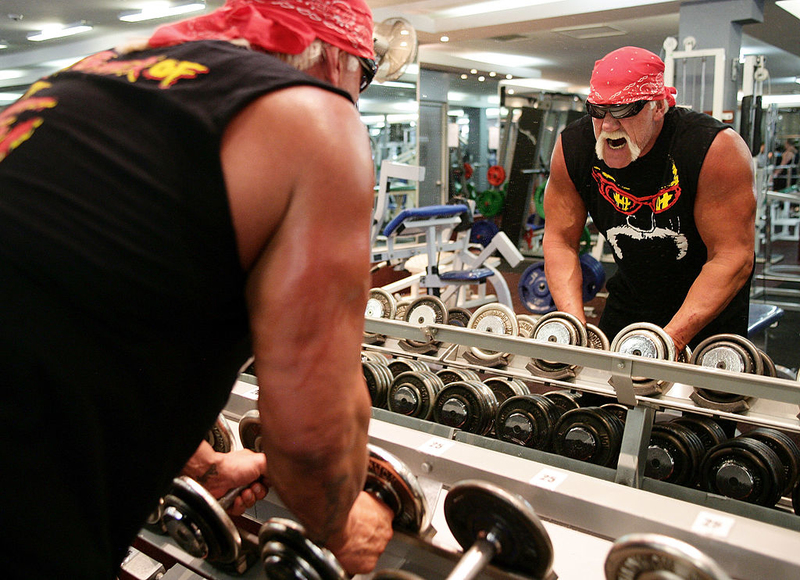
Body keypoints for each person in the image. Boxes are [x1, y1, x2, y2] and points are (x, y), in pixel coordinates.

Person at [0, 0, 394, 578]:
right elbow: (312, 439)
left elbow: (71, 295)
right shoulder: (317, 116)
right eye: (365, 74)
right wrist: (339, 522)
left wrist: (196, 463)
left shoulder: (85, 76)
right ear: (337, 60)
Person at [543, 46, 756, 354]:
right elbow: (559, 241)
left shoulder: (713, 148)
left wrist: (670, 340)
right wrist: (573, 327)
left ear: (658, 108)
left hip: (710, 311)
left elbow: (732, 257)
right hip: (630, 302)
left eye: (624, 111)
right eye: (598, 111)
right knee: (598, 395)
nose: (608, 126)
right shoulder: (574, 147)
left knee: (704, 401)